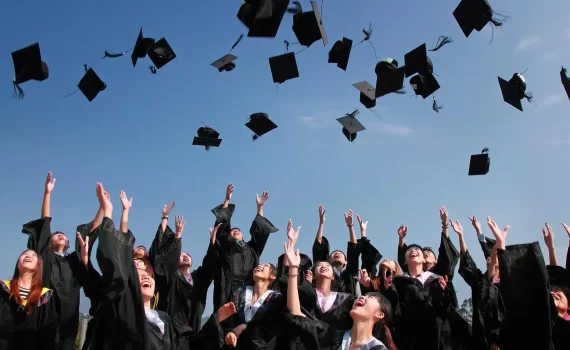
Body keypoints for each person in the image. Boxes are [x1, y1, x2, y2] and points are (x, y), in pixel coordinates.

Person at [284, 221, 397, 350]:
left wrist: (354, 228)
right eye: (321, 265)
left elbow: (354, 256)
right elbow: (297, 316)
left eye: (370, 297)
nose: (362, 297)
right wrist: (293, 268)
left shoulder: (348, 297)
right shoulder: (334, 336)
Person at [21, 172, 93, 350]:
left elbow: (92, 232)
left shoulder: (73, 261)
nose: (60, 235)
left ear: (69, 245)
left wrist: (103, 208)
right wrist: (47, 193)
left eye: (64, 236)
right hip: (42, 317)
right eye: (57, 235)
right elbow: (45, 223)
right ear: (50, 243)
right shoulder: (44, 256)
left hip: (68, 322)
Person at [209, 184, 278, 311]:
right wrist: (227, 200)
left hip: (249, 291)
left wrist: (260, 207)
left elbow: (259, 231)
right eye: (232, 231)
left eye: (238, 231)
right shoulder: (225, 248)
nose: (235, 231)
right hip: (227, 290)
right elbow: (222, 227)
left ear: (243, 235)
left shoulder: (251, 249)